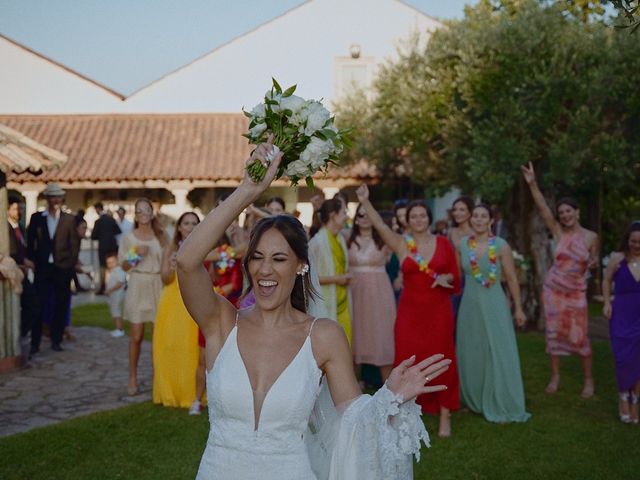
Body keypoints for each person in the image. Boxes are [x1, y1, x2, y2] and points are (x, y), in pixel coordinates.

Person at [176, 138, 451, 479]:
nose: (265, 270)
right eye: (257, 258)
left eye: (279, 259)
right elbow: (187, 262)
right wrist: (248, 190)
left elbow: (351, 422)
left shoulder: (322, 335)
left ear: (301, 266)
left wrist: (387, 399)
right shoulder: (222, 322)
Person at [356, 185, 460, 437]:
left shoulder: (444, 243)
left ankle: (445, 414)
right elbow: (380, 226)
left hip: (438, 312)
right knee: (406, 358)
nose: (418, 219)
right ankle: (402, 410)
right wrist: (365, 201)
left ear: (429, 218)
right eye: (413, 216)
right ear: (408, 220)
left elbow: (455, 276)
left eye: (422, 215)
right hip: (409, 313)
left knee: (443, 358)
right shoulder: (401, 244)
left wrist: (445, 277)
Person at [522, 162, 599, 397]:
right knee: (553, 334)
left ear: (577, 212)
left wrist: (593, 264)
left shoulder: (590, 237)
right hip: (553, 291)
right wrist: (533, 184)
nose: (565, 215)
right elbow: (543, 208)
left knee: (581, 336)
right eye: (562, 212)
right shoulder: (557, 231)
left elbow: (593, 261)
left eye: (569, 211)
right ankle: (555, 377)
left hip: (576, 292)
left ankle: (588, 380)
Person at [456, 204, 530, 423]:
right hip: (469, 303)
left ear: (490, 220)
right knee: (472, 349)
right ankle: (474, 399)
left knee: (498, 348)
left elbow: (512, 278)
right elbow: (456, 274)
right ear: (471, 219)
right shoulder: (462, 244)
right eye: (475, 216)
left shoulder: (500, 245)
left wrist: (518, 308)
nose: (479, 220)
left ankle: (502, 398)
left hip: (494, 300)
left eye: (483, 216)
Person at [118, 198, 167, 396]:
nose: (144, 213)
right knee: (136, 336)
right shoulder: (129, 238)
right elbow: (124, 266)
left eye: (147, 210)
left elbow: (169, 260)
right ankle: (132, 377)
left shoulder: (162, 236)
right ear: (135, 215)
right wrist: (137, 254)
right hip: (138, 284)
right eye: (140, 211)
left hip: (157, 284)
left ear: (152, 212)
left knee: (159, 337)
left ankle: (159, 377)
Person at [153, 212, 201, 408]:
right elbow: (164, 278)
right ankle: (170, 391)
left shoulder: (204, 246)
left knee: (192, 348)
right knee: (170, 345)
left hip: (196, 298)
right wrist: (172, 267)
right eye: (186, 223)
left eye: (194, 223)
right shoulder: (170, 248)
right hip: (173, 300)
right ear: (179, 227)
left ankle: (192, 394)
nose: (190, 226)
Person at [26, 183, 80, 354]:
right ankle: (35, 342)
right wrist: (33, 261)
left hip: (62, 268)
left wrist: (70, 264)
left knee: (60, 304)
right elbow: (31, 243)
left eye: (58, 196)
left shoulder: (69, 219)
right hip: (43, 268)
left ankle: (56, 340)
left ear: (62, 199)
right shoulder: (37, 218)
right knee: (38, 305)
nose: (55, 200)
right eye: (52, 196)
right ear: (47, 198)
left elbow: (74, 244)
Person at [347, 204, 396, 382]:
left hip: (379, 292)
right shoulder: (347, 237)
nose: (363, 218)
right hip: (354, 291)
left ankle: (389, 387)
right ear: (355, 219)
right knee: (354, 332)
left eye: (367, 214)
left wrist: (401, 277)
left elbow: (406, 250)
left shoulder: (385, 238)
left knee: (381, 332)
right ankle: (353, 384)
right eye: (360, 215)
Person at [602, 221, 640, 424]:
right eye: (633, 241)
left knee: (639, 359)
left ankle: (635, 401)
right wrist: (607, 302)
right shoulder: (617, 259)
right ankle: (623, 396)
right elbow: (606, 281)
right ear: (628, 240)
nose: (637, 245)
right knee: (623, 358)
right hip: (621, 314)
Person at [308, 198, 353, 343]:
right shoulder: (316, 243)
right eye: (344, 212)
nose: (347, 216)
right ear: (333, 215)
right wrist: (336, 279)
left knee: (345, 343)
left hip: (343, 300)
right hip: (326, 303)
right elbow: (307, 276)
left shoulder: (340, 239)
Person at [91, 202, 121, 294]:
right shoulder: (111, 219)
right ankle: (114, 286)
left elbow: (93, 236)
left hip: (103, 248)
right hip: (112, 246)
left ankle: (103, 287)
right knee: (113, 267)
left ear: (97, 209)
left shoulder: (98, 221)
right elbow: (118, 231)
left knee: (103, 268)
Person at [104, 253, 126, 338]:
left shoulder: (119, 270)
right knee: (114, 312)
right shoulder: (112, 271)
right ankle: (117, 328)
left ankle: (120, 329)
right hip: (113, 295)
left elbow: (120, 283)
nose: (110, 264)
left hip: (118, 295)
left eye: (112, 262)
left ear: (117, 261)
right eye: (108, 263)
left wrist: (109, 290)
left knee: (117, 312)